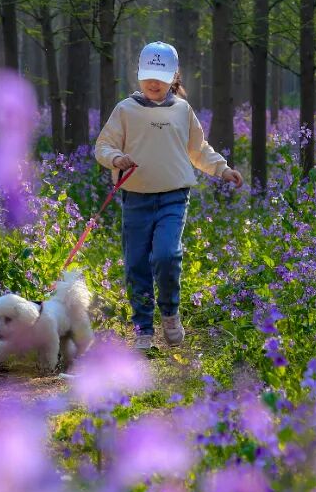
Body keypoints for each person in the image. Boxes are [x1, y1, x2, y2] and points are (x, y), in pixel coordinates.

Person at [95, 41, 244, 352]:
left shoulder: (181, 110)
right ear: (138, 74)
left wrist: (223, 170)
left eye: (160, 78)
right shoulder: (125, 110)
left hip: (174, 196)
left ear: (173, 77)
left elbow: (199, 150)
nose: (153, 83)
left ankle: (170, 312)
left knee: (166, 255)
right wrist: (117, 159)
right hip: (135, 197)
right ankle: (143, 329)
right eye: (148, 76)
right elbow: (103, 146)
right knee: (136, 264)